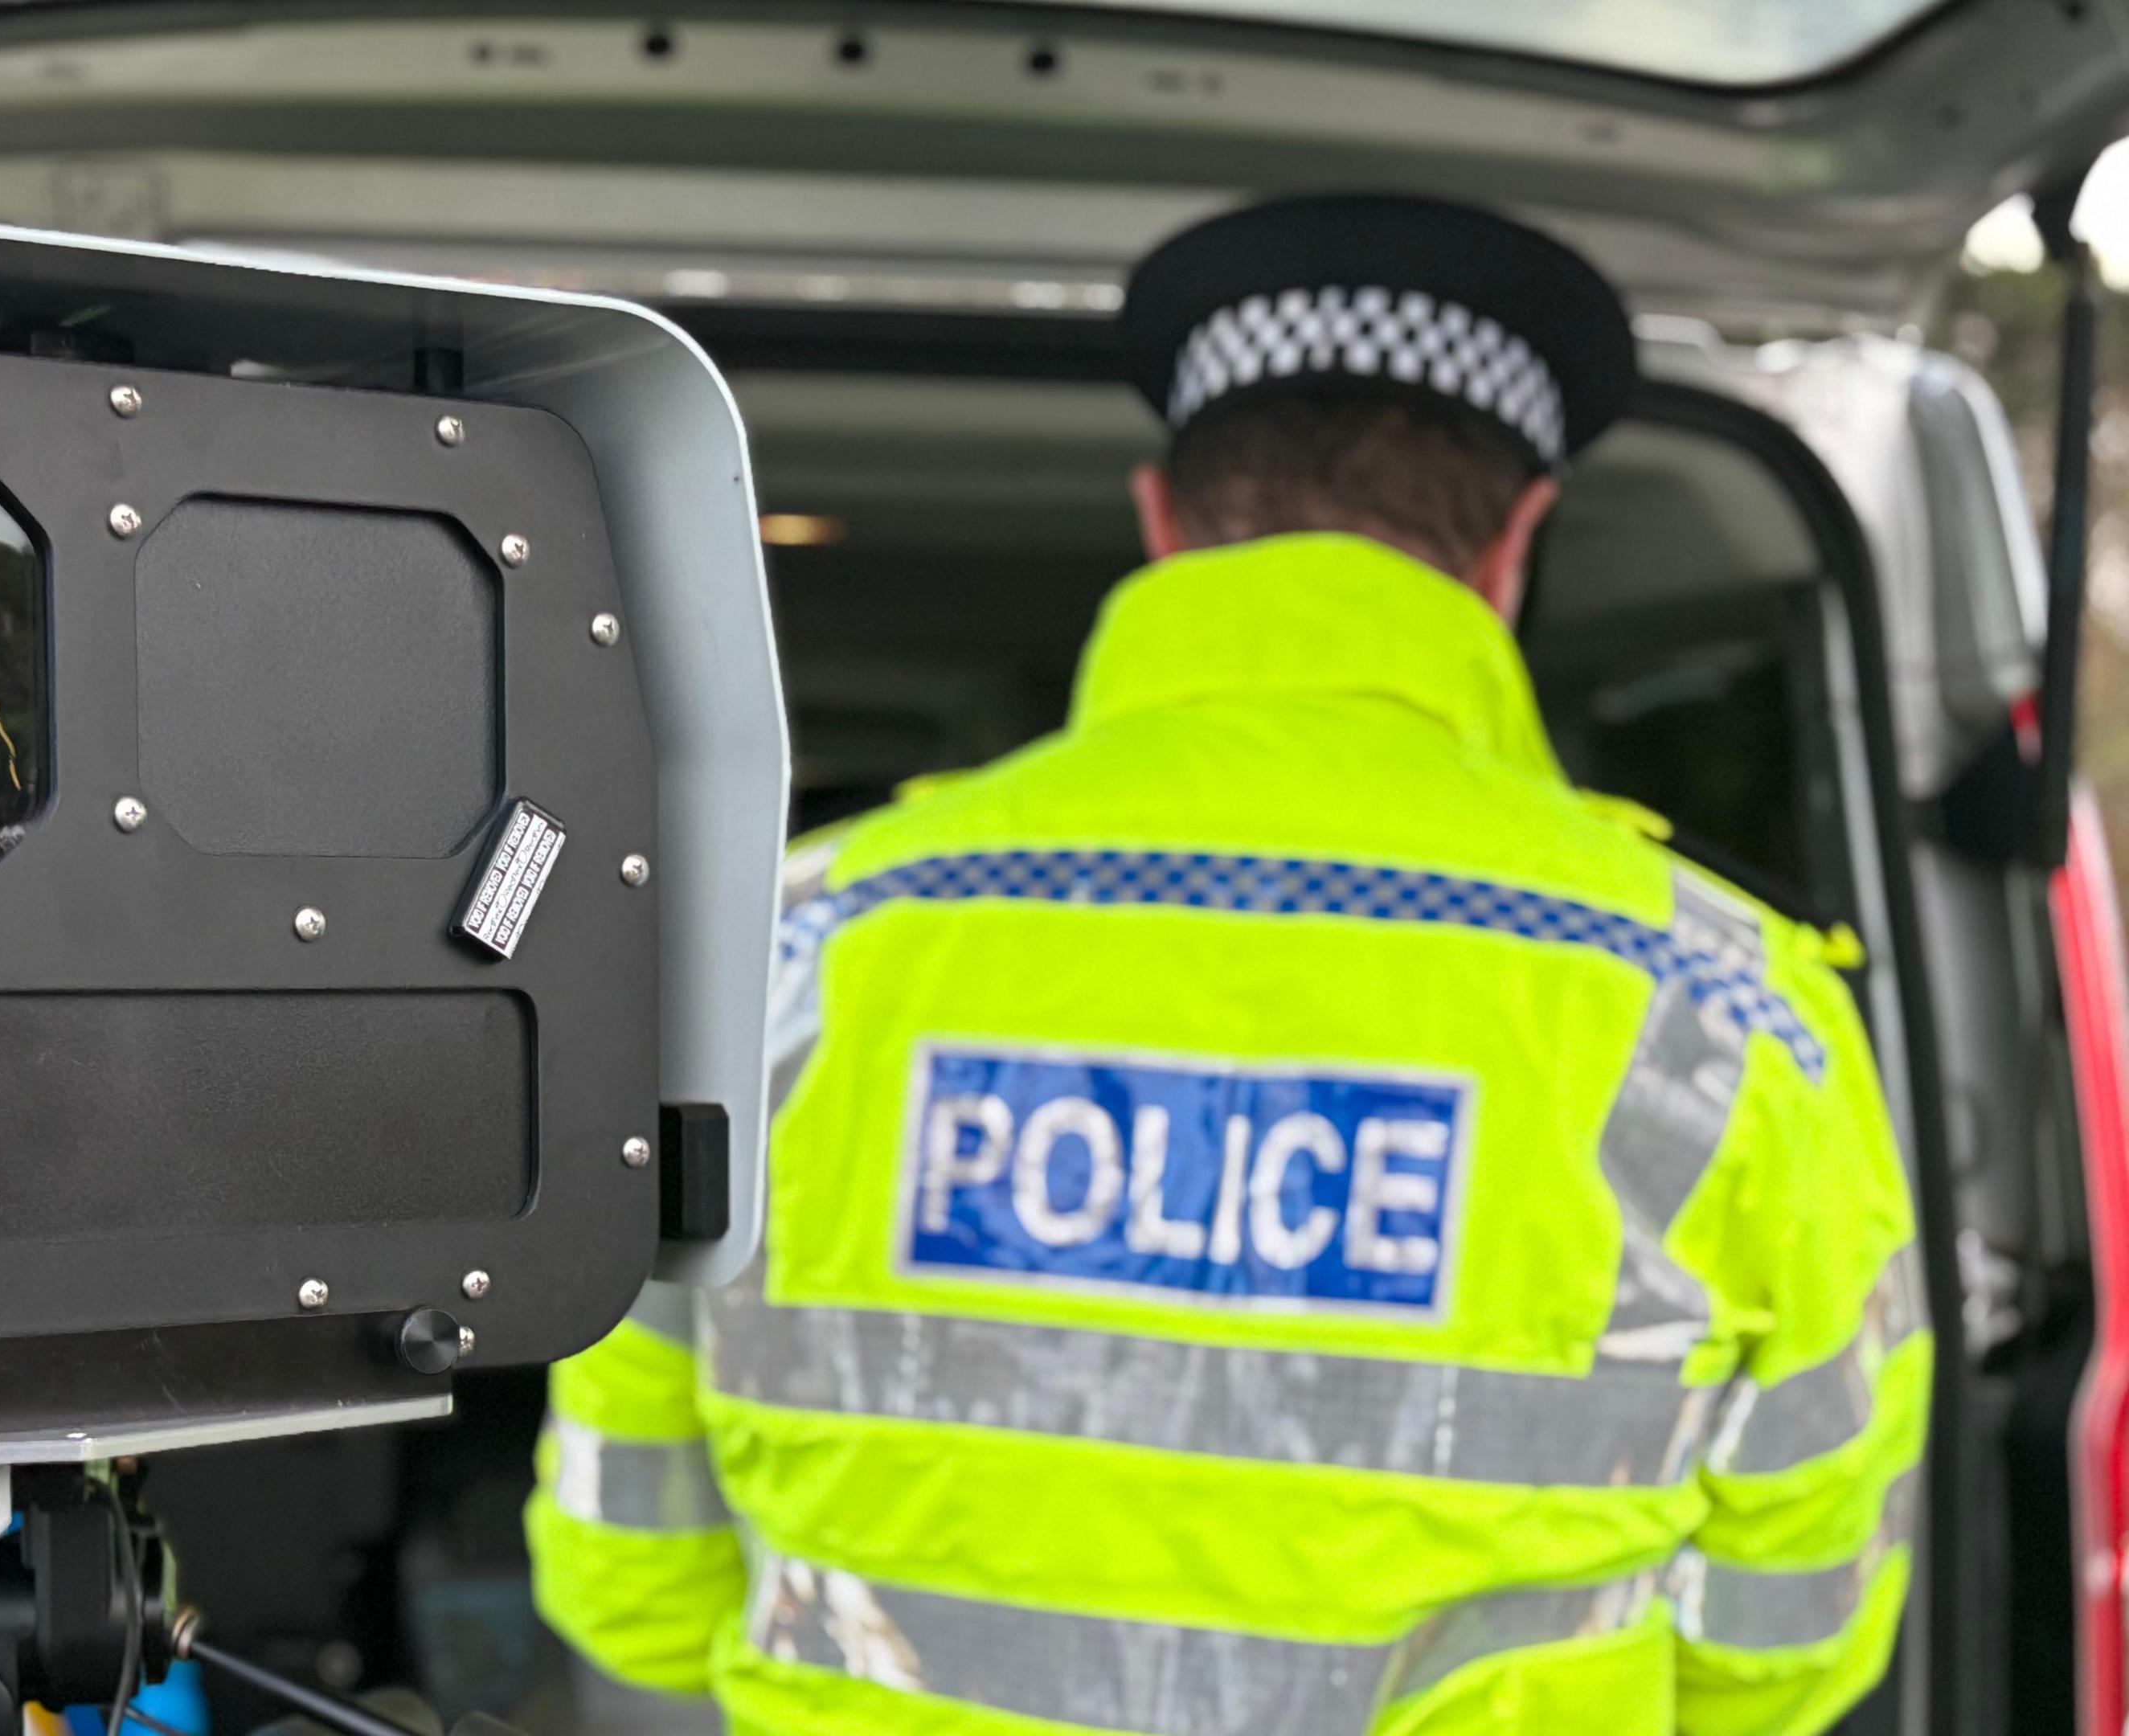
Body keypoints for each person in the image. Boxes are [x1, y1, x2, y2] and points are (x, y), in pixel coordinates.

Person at [526, 195, 1926, 1736]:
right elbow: (1785, 1647)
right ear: (1517, 542)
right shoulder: (1727, 1018)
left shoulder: (775, 956)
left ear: (1162, 516)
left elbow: (631, 1587)